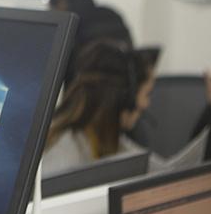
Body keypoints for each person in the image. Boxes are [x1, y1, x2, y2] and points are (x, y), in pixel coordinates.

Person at [43, 41, 157, 175]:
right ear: (127, 98)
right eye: (147, 94)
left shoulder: (111, 140)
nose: (146, 104)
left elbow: (156, 168)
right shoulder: (64, 153)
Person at [47, 0, 132, 79]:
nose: (49, 6)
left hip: (85, 87)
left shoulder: (69, 28)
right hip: (124, 85)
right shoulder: (110, 14)